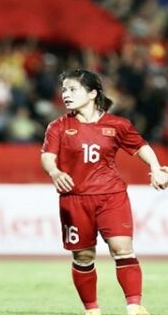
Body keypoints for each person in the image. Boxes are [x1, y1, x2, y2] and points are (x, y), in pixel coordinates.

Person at [41, 69, 168, 315]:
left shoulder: (117, 124)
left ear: (92, 93)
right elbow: (47, 156)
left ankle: (134, 306)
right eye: (64, 90)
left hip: (112, 196)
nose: (66, 95)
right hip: (75, 198)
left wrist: (155, 168)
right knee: (83, 256)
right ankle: (92, 310)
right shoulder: (58, 126)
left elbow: (141, 146)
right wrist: (55, 172)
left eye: (73, 89)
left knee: (122, 248)